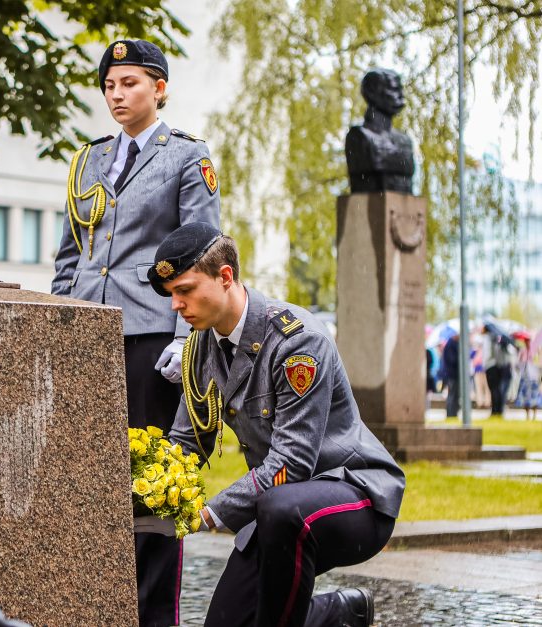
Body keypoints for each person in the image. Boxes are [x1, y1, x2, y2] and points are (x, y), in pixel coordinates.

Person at [147, 223, 405, 627]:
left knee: (280, 508)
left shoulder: (297, 342)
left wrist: (209, 514)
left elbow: (292, 466)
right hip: (275, 513)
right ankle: (339, 612)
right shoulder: (200, 347)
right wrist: (143, 492)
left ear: (225, 276)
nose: (175, 305)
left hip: (355, 496)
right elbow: (185, 442)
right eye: (172, 294)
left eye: (185, 290)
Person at [51, 39, 221, 626]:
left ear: (159, 88)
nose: (117, 95)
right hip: (87, 337)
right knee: (89, 477)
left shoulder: (186, 158)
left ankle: (155, 616)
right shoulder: (88, 160)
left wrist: (184, 336)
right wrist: (59, 324)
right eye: (109, 85)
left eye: (130, 83)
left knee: (153, 485)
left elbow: (203, 252)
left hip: (153, 339)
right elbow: (72, 256)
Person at [441, 332, 461, 419]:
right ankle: (451, 413)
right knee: (452, 394)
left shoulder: (454, 344)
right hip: (451, 375)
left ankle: (453, 413)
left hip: (453, 374)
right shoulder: (450, 345)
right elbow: (452, 360)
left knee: (454, 394)